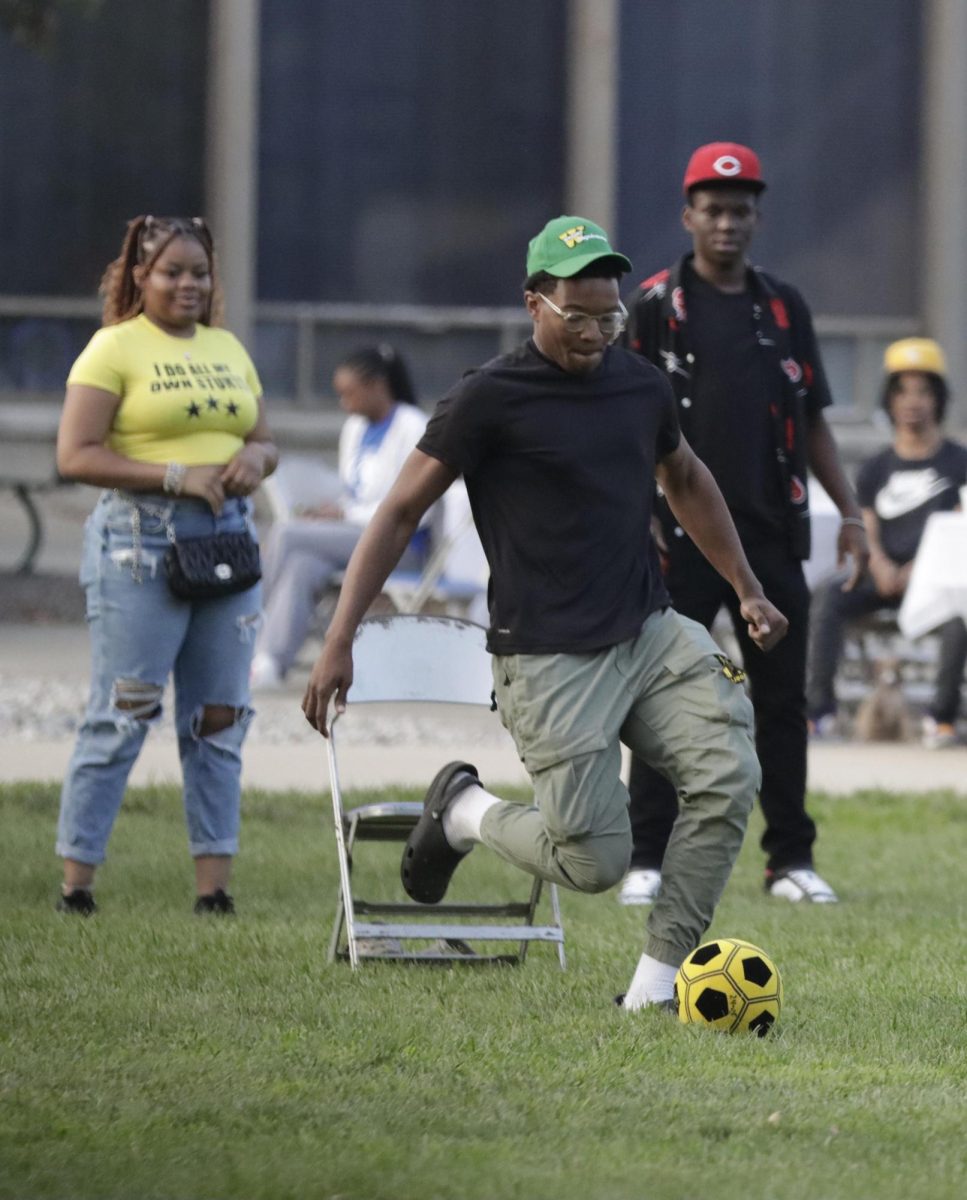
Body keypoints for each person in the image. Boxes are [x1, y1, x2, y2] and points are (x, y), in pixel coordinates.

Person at [303, 214, 789, 1011]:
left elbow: (686, 479)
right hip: (547, 655)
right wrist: (339, 637)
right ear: (534, 303)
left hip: (648, 631)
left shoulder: (640, 385)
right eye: (578, 315)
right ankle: (463, 811)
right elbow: (395, 514)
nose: (597, 331)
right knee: (596, 862)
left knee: (727, 777)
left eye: (610, 315)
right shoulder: (489, 398)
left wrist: (745, 587)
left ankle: (655, 985)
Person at [619, 143, 869, 909]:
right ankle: (647, 857)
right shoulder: (655, 306)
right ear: (688, 214)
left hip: (769, 534)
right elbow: (623, 426)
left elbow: (814, 421)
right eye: (713, 209)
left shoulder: (784, 306)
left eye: (740, 209)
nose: (726, 222)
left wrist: (850, 512)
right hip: (676, 535)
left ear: (756, 217)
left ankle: (789, 858)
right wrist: (632, 518)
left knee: (781, 700)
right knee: (664, 693)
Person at [54, 214, 278, 916]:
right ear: (139, 276)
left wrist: (253, 460)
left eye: (200, 273)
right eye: (172, 272)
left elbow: (264, 441)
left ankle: (214, 892)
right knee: (125, 711)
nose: (189, 284)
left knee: (219, 717)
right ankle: (77, 886)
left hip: (228, 540)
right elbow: (76, 455)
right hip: (139, 544)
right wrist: (177, 474)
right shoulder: (112, 349)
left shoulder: (227, 347)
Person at [807, 337, 967, 748]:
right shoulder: (877, 466)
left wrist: (921, 570)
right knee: (828, 595)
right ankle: (818, 712)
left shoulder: (958, 462)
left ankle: (943, 719)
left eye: (923, 392)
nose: (913, 402)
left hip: (934, 582)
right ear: (890, 401)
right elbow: (868, 524)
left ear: (938, 399)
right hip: (881, 575)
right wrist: (878, 564)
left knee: (958, 621)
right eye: (903, 392)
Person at [250, 346, 429, 690]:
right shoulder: (354, 428)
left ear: (377, 385)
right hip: (353, 536)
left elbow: (416, 508)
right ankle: (268, 663)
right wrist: (330, 512)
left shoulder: (412, 426)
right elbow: (354, 491)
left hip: (399, 545)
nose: (344, 404)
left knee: (287, 534)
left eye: (350, 394)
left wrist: (344, 513)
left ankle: (247, 635)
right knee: (302, 563)